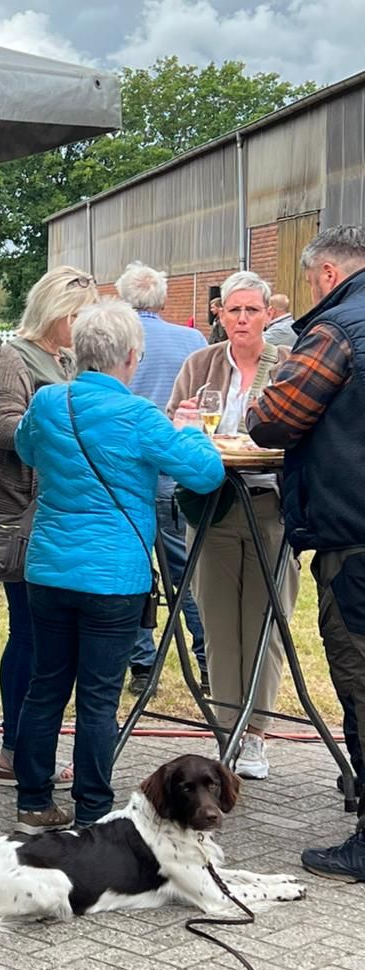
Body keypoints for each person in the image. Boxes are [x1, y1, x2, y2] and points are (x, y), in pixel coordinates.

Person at [13, 300, 224, 829]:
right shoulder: (140, 416)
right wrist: (191, 429)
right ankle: (92, 812)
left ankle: (32, 802)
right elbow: (205, 473)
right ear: (131, 356)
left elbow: (26, 449)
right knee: (98, 698)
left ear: (79, 350)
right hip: (113, 575)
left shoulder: (47, 402)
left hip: (49, 567)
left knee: (46, 686)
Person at [246, 226, 365, 879]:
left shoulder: (337, 329)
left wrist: (258, 404)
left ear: (326, 274)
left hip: (356, 536)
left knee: (361, 676)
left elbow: (275, 418)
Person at [0, 266, 99, 787]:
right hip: (22, 515)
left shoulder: (63, 359)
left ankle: (25, 749)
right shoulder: (14, 357)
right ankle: (16, 750)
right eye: (78, 315)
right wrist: (68, 429)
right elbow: (3, 428)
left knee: (44, 638)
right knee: (28, 634)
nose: (83, 325)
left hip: (56, 512)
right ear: (55, 312)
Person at [168, 270, 297, 780]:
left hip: (271, 507)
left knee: (266, 624)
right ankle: (227, 730)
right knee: (219, 625)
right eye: (233, 310)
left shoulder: (286, 364)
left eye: (251, 310)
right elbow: (173, 430)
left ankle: (257, 733)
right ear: (219, 314)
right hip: (213, 505)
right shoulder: (199, 364)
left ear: (268, 314)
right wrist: (183, 422)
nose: (242, 319)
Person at [115, 261, 209, 696]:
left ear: (122, 300)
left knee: (135, 574)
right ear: (164, 300)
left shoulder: (116, 341)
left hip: (129, 478)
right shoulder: (193, 341)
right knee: (186, 575)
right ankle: (208, 659)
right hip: (175, 475)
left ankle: (142, 666)